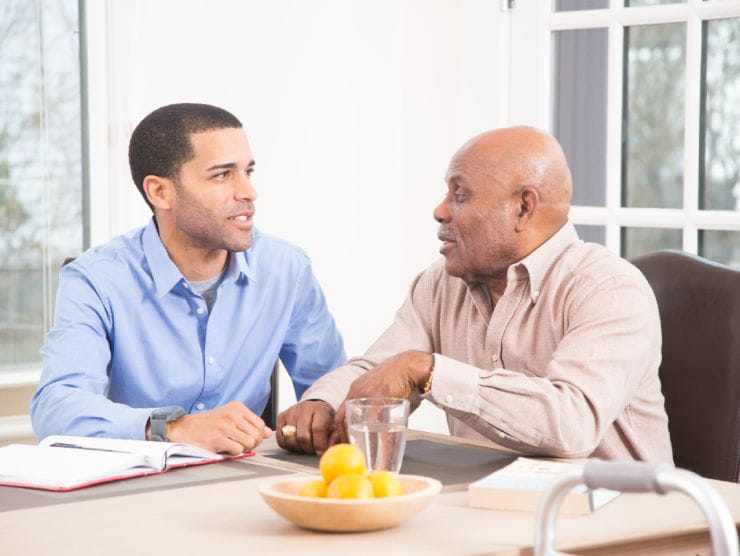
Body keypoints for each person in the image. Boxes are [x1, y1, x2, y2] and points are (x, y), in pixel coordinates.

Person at [277, 126, 673, 464]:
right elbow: (381, 369)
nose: (439, 211)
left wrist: (428, 370)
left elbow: (571, 421)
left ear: (523, 207)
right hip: (496, 509)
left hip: (618, 523)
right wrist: (323, 404)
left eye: (460, 195)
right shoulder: (440, 283)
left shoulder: (609, 289)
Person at [31, 103, 345, 454]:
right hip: (134, 487)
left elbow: (333, 387)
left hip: (246, 480)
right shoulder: (95, 279)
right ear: (160, 192)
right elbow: (56, 409)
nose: (248, 193)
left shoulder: (286, 268)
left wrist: (321, 409)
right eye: (223, 175)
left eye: (248, 172)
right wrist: (173, 429)